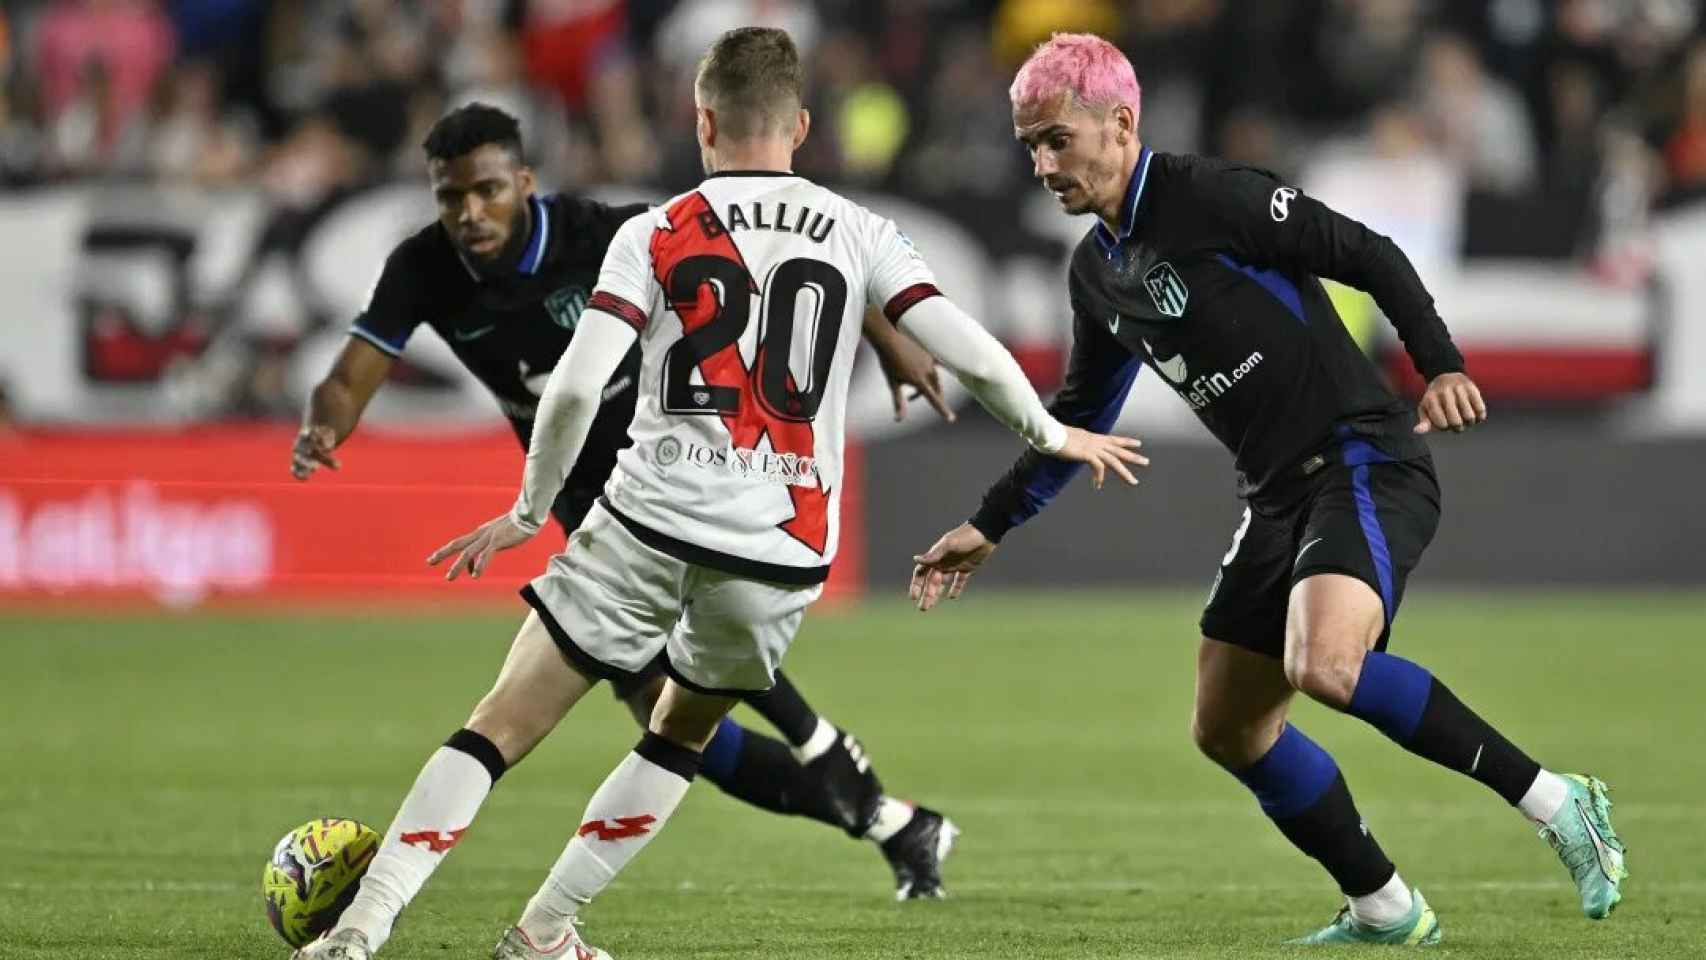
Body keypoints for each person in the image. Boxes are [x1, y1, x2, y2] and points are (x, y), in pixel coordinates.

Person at [296, 30, 1144, 960]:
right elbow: (970, 347)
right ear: (804, 126)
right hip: (781, 547)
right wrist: (1052, 434)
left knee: (498, 726)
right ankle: (544, 932)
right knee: (678, 736)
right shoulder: (860, 229)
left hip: (648, 520)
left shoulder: (655, 231)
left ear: (701, 122)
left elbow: (578, 386)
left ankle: (361, 929)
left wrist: (530, 511)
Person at [909, 33, 1627, 946]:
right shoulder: (1097, 272)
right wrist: (990, 523)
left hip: (1364, 457)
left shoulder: (1211, 197)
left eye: (1056, 140)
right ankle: (1385, 905)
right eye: (1030, 148)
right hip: (1276, 497)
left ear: (1121, 123)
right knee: (1227, 727)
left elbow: (1366, 251)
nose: (1043, 165)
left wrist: (1438, 363)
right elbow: (1073, 423)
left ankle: (1561, 802)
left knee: (1323, 665)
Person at [289, 103, 966, 912]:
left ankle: (869, 796)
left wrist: (894, 342)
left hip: (677, 486)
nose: (469, 213)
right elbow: (356, 366)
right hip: (593, 512)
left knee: (693, 693)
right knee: (680, 729)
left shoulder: (604, 234)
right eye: (450, 197)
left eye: (487, 191)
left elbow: (781, 265)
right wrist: (324, 423)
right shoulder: (423, 267)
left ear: (525, 184)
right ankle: (892, 820)